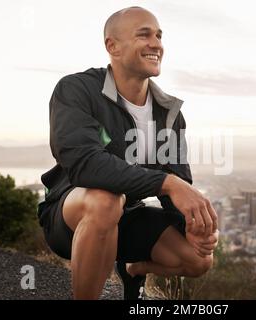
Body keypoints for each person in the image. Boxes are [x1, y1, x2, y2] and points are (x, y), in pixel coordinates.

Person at [37, 6, 219, 300]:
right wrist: (167, 183)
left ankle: (134, 268)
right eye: (143, 35)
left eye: (159, 36)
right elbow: (84, 164)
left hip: (127, 216)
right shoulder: (77, 89)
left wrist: (197, 228)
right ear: (113, 46)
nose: (156, 44)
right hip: (71, 216)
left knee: (198, 259)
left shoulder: (169, 113)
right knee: (106, 200)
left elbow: (177, 188)